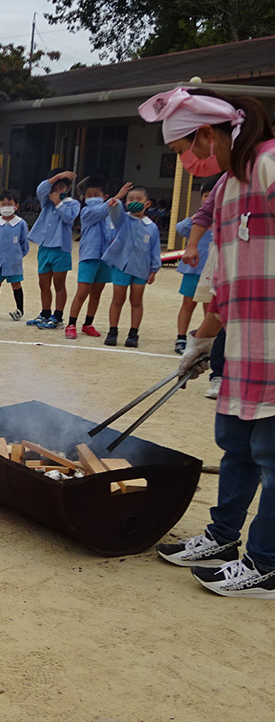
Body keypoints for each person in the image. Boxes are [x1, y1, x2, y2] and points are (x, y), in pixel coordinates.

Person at [140, 86, 275, 597]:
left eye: (182, 150)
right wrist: (201, 339)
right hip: (242, 345)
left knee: (272, 452)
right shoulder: (225, 188)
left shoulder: (268, 164)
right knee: (237, 445)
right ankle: (223, 538)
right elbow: (226, 276)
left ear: (205, 133)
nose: (185, 161)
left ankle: (266, 563)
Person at [64, 177, 132, 339]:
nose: (92, 197)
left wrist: (117, 203)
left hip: (105, 258)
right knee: (82, 292)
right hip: (89, 256)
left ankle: (88, 324)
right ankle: (71, 324)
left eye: (96, 194)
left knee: (97, 293)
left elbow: (119, 221)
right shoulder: (86, 212)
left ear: (104, 196)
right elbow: (100, 211)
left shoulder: (109, 211)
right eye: (89, 195)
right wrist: (117, 197)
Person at [100, 186, 160, 348]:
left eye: (138, 199)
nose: (134, 202)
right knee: (117, 300)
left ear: (147, 204)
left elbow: (154, 250)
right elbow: (114, 210)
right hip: (121, 266)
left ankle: (133, 333)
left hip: (141, 269)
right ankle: (113, 331)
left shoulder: (151, 227)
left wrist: (154, 269)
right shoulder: (122, 219)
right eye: (130, 199)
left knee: (137, 301)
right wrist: (117, 199)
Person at [26, 169, 80, 329]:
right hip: (44, 248)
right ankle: (44, 313)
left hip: (61, 249)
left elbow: (69, 217)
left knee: (59, 284)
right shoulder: (46, 202)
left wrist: (59, 202)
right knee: (43, 283)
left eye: (62, 187)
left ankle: (57, 316)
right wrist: (57, 176)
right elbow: (41, 189)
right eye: (55, 187)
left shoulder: (73, 203)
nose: (57, 191)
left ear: (68, 188)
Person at [173, 180, 217, 354]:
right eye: (205, 196)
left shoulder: (224, 220)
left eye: (211, 196)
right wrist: (195, 218)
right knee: (187, 304)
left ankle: (208, 340)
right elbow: (180, 228)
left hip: (214, 272)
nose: (208, 199)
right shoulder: (198, 222)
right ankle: (181, 337)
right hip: (193, 270)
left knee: (210, 307)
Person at [0, 189, 29, 322]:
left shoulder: (21, 224)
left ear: (16, 206)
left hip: (13, 262)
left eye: (10, 204)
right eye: (3, 204)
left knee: (16, 284)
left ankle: (20, 309)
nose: (6, 207)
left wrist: (17, 256)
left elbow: (24, 245)